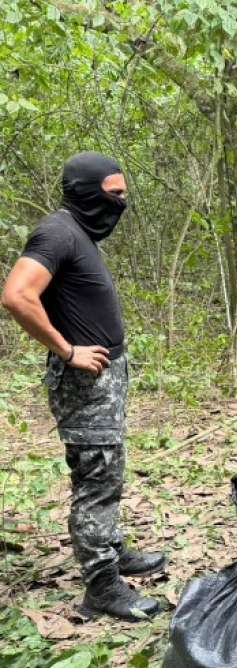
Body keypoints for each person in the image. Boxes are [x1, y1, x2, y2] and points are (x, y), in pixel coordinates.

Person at [1, 152, 164, 622]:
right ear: (85, 192)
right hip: (84, 381)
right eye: (114, 194)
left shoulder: (80, 233)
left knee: (106, 470)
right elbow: (16, 295)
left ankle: (110, 550)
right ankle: (102, 586)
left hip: (105, 379)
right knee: (97, 481)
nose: (121, 203)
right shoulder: (57, 231)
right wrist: (67, 349)